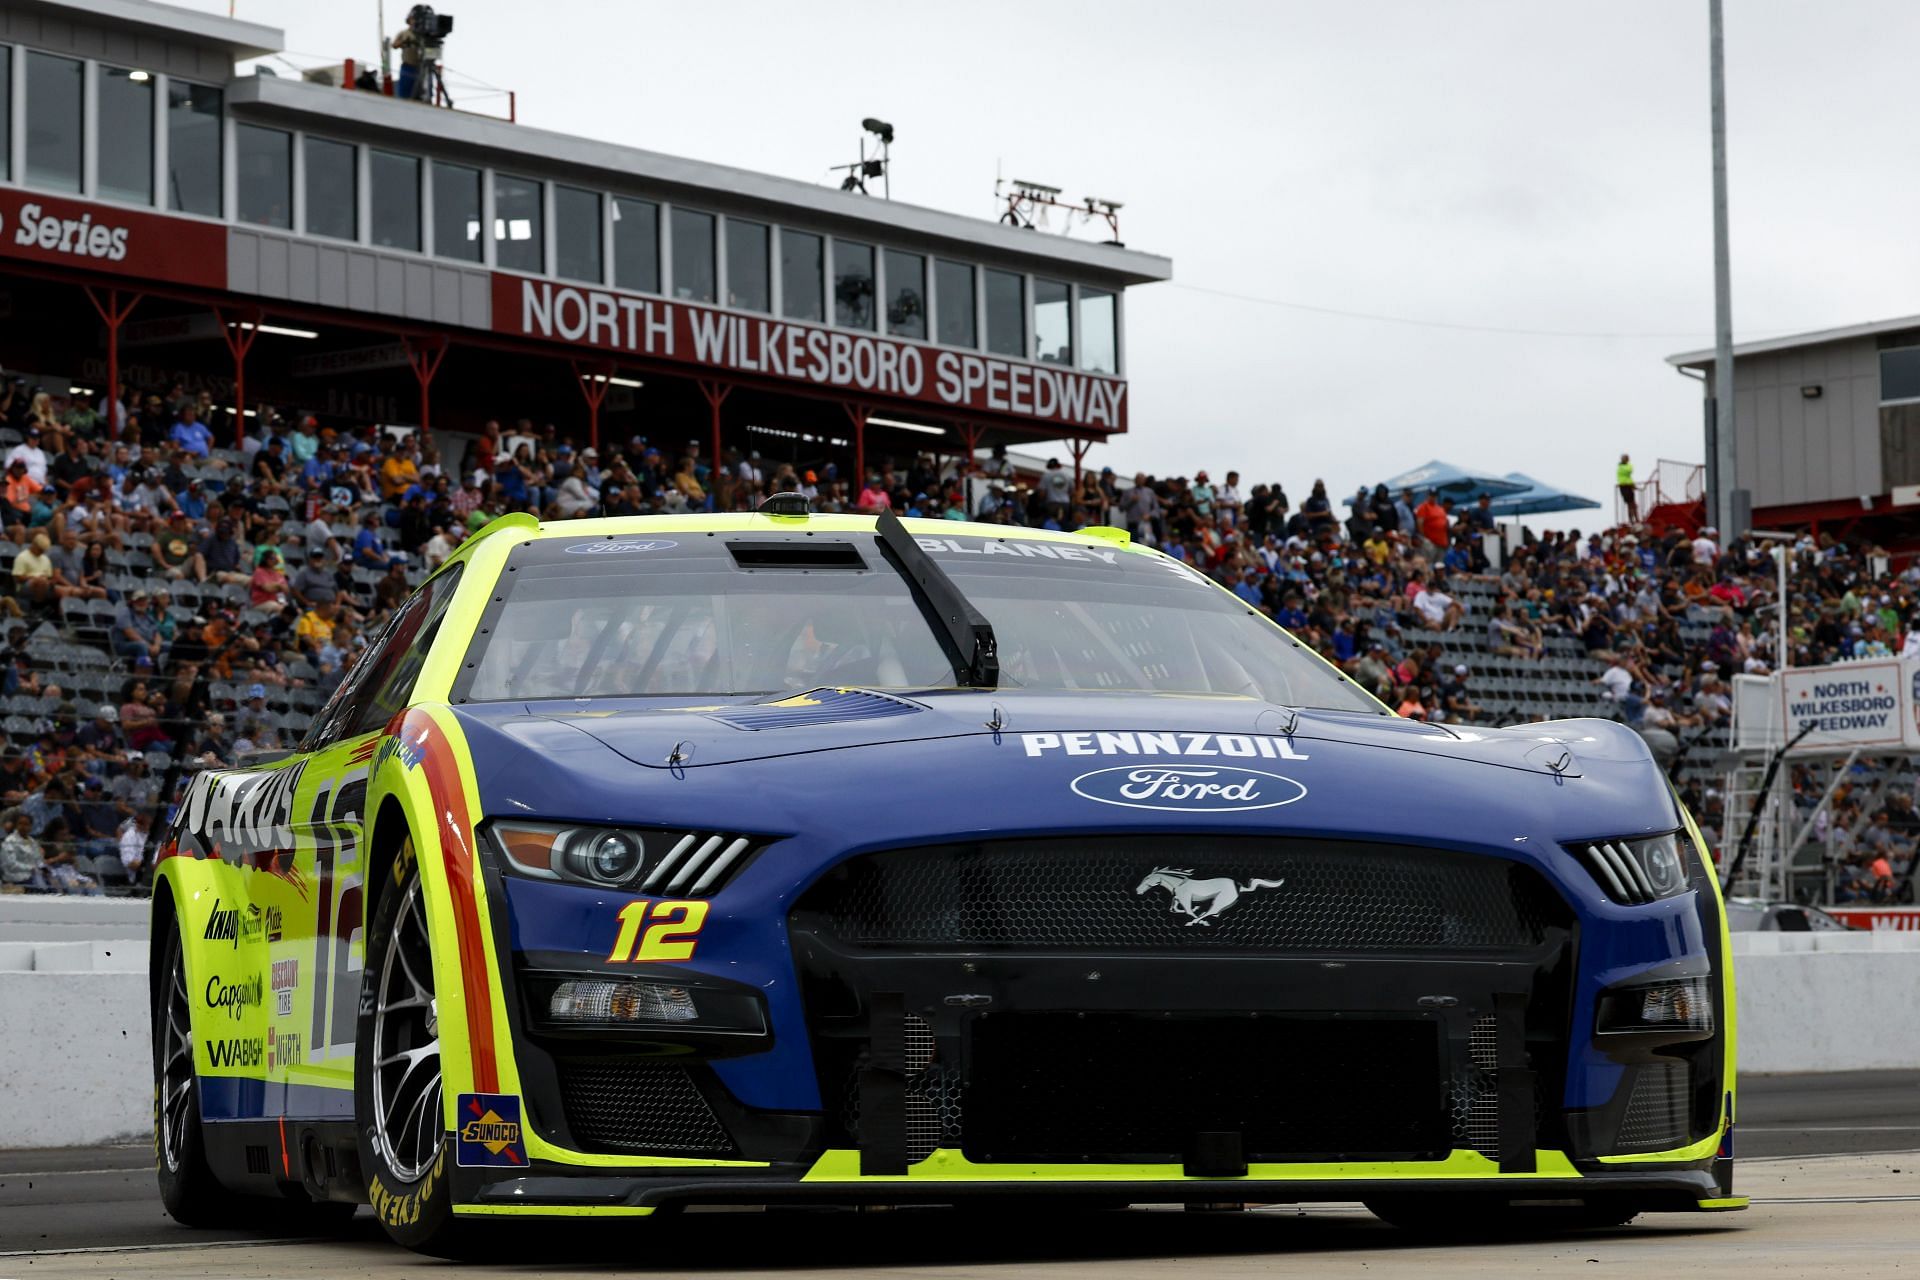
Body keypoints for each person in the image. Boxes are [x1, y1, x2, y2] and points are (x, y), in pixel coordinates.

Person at [1617, 453, 1638, 522]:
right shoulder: (1620, 467)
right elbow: (1628, 471)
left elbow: (1629, 471)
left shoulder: (1625, 466)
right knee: (1630, 504)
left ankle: (1635, 518)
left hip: (1629, 486)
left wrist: (1633, 485)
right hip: (1624, 486)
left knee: (1632, 504)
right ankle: (1632, 519)